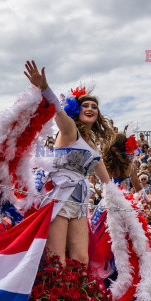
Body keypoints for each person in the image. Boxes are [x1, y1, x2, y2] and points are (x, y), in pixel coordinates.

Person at [24, 60, 111, 265]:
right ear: (77, 109)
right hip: (58, 195)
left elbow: (108, 182)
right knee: (56, 258)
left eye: (94, 107)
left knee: (81, 259)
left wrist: (122, 202)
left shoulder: (93, 147)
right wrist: (44, 88)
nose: (90, 109)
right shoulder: (70, 129)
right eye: (86, 105)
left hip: (80, 201)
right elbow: (58, 111)